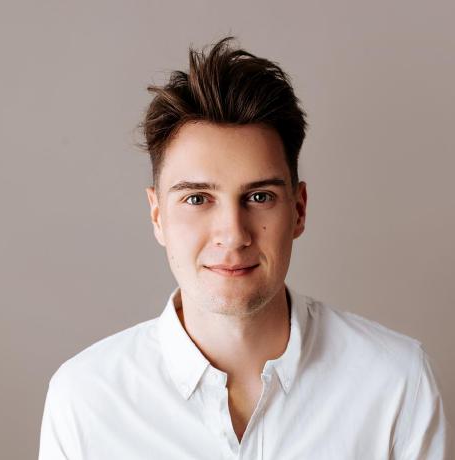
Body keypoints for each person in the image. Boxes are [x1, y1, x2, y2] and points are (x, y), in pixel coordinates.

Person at [38, 36, 452, 459]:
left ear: (299, 209)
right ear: (158, 215)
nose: (233, 234)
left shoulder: (396, 383)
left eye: (259, 197)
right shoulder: (86, 400)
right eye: (197, 199)